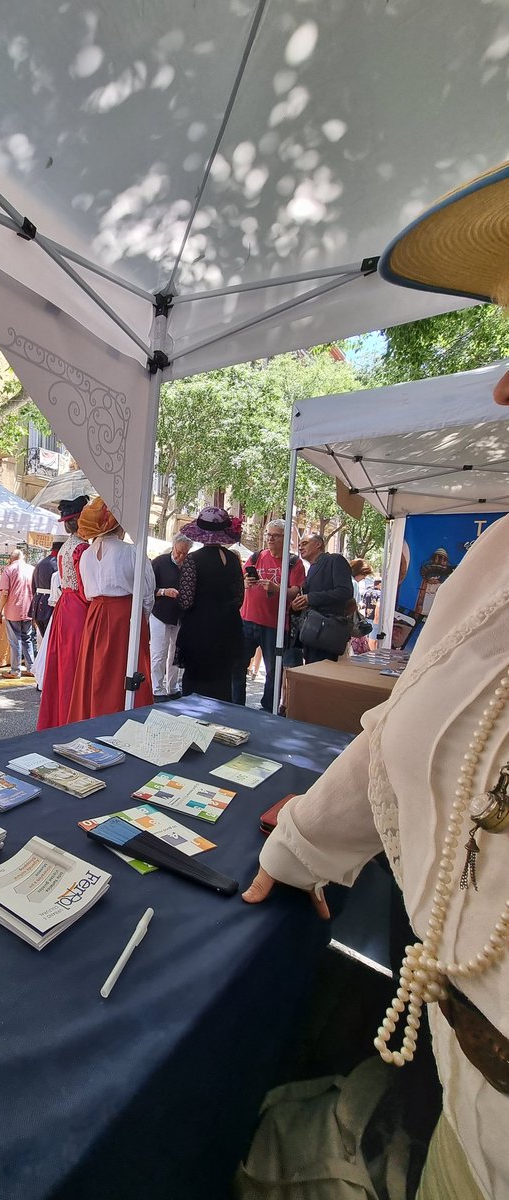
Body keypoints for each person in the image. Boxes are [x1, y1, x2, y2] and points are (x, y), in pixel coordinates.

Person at [244, 160, 509, 1200]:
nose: (502, 383)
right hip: (463, 1122)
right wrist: (302, 843)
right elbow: (410, 726)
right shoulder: (492, 560)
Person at [65, 497, 153, 722]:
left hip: (95, 614)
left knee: (94, 672)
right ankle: (124, 720)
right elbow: (146, 593)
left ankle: (91, 716)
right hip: (124, 616)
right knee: (124, 669)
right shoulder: (132, 552)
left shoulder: (85, 555)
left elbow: (85, 592)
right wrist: (142, 622)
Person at [233, 519, 306, 711]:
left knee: (273, 672)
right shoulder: (256, 557)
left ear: (285, 538)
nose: (270, 539)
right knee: (237, 665)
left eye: (275, 535)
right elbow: (240, 579)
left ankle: (267, 709)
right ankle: (235, 705)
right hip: (247, 619)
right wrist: (245, 583)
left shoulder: (294, 563)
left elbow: (295, 592)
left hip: (276, 625)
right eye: (268, 534)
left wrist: (276, 588)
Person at [174, 507, 244, 702]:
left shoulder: (193, 560)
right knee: (222, 684)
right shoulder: (232, 559)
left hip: (200, 631)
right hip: (228, 629)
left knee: (196, 687)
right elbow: (239, 598)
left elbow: (186, 601)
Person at [36, 495, 90, 730]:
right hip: (79, 607)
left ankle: (60, 715)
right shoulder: (83, 549)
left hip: (65, 607)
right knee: (77, 664)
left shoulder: (66, 548)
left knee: (63, 663)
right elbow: (86, 584)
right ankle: (74, 714)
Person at [290, 532, 353, 664]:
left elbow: (345, 592)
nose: (300, 547)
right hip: (311, 631)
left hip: (328, 629)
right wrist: (297, 605)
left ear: (318, 544)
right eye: (299, 544)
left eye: (305, 543)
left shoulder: (334, 560)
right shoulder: (313, 568)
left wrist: (310, 598)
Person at [148, 534, 191, 701]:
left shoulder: (189, 564)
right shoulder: (159, 562)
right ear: (173, 547)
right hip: (160, 613)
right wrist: (164, 592)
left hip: (179, 615)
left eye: (185, 553)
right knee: (159, 652)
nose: (181, 557)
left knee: (175, 654)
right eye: (178, 552)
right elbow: (148, 588)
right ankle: (156, 689)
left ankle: (172, 687)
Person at [0, 549, 35, 678]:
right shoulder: (32, 569)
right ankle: (31, 668)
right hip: (29, 609)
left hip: (13, 610)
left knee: (15, 641)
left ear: (11, 559)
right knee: (27, 639)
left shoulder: (8, 570)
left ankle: (15, 670)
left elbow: (4, 593)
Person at [30, 539, 63, 637]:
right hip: (50, 604)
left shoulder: (40, 563)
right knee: (51, 639)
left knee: (45, 638)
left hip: (38, 604)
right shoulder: (57, 563)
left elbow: (33, 586)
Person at [349, 558, 375, 655]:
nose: (364, 578)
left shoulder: (343, 580)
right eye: (364, 575)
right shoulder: (353, 583)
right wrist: (360, 606)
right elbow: (352, 606)